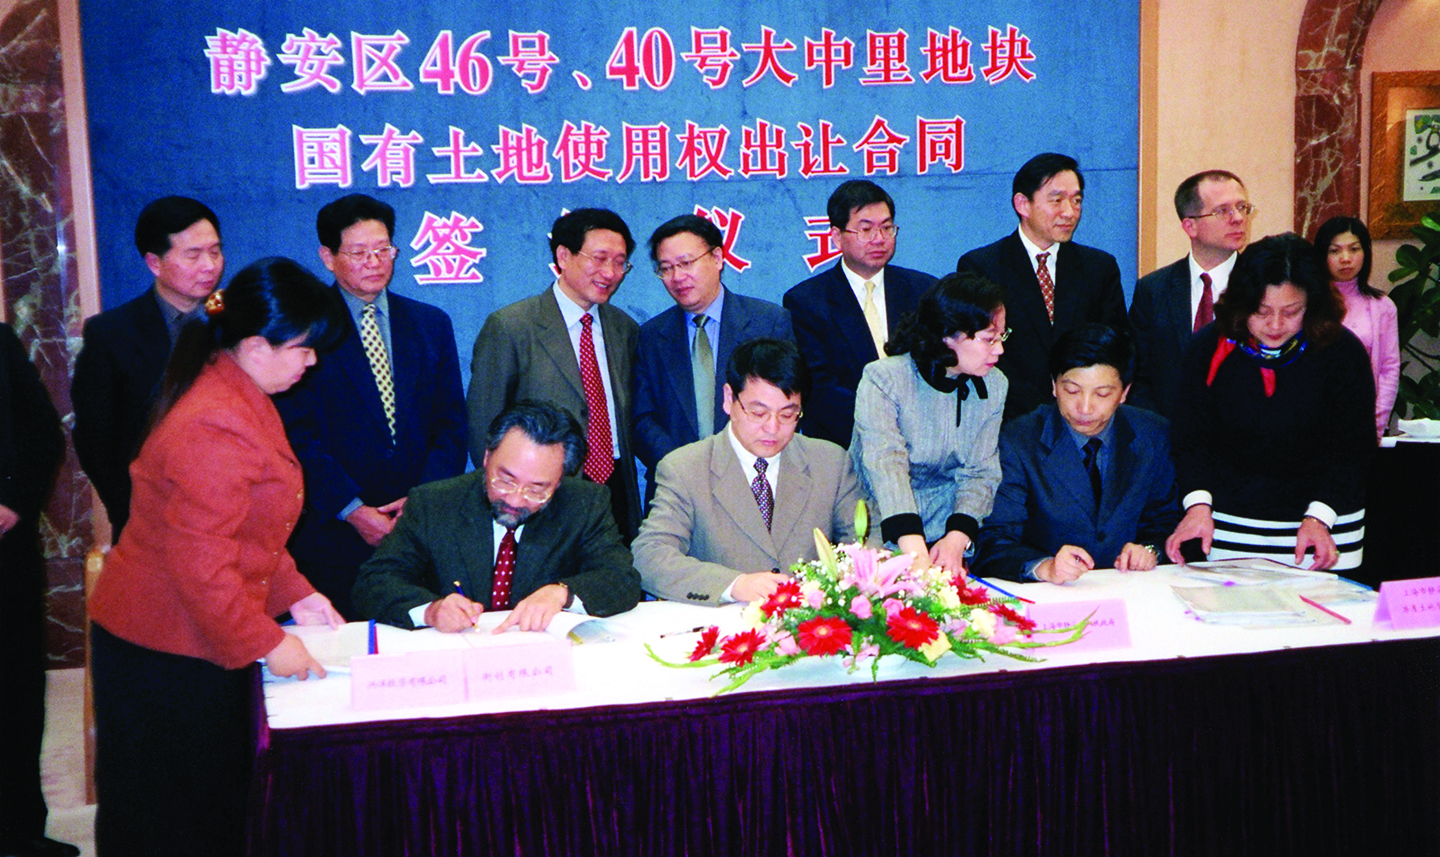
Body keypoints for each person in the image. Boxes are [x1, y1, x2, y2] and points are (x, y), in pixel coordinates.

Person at [88, 258, 347, 856]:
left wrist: (298, 594)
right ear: (256, 346)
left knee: (209, 808)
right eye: (304, 349)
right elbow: (201, 567)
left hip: (191, 631)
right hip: (163, 647)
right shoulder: (215, 422)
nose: (312, 362)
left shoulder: (236, 389)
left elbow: (248, 532)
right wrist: (268, 642)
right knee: (171, 820)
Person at [274, 193, 467, 618]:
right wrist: (352, 509)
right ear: (328, 257)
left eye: (383, 250)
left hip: (419, 531)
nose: (375, 262)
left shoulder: (430, 324)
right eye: (359, 252)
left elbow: (451, 424)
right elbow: (293, 434)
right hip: (335, 534)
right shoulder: (305, 329)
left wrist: (422, 501)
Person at [1165, 234, 1375, 571]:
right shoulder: (1207, 347)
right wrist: (1198, 504)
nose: (1275, 325)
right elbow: (1189, 437)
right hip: (1228, 523)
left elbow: (1354, 448)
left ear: (1313, 305)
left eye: (1291, 312)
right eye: (1261, 311)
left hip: (1326, 523)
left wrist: (1320, 516)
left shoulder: (1342, 352)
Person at [352, 400, 642, 633]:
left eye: (537, 489)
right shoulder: (433, 503)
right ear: (487, 457)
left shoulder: (585, 504)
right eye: (505, 480)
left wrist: (561, 594)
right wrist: (431, 610)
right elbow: (373, 583)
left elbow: (622, 579)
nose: (515, 499)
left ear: (559, 481)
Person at [634, 338, 864, 605]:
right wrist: (733, 585)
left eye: (787, 415)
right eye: (758, 413)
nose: (772, 428)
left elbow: (867, 545)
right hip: (722, 623)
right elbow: (649, 555)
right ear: (728, 399)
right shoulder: (685, 468)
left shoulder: (830, 463)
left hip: (810, 622)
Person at [467, 208, 642, 541]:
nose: (610, 272)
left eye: (620, 262)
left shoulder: (624, 328)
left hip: (615, 487)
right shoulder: (511, 326)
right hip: (540, 492)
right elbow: (483, 427)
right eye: (599, 258)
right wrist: (510, 497)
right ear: (563, 256)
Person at [975, 324, 1181, 584]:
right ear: (1054, 385)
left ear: (1124, 392)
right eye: (1072, 391)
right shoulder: (1018, 441)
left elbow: (1166, 518)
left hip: (1130, 587)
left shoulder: (1151, 434)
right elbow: (993, 540)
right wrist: (1044, 567)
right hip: (1051, 594)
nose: (1085, 407)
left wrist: (1150, 549)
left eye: (1102, 394)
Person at [71, 195, 223, 540]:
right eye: (193, 255)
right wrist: (128, 510)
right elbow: (95, 438)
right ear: (154, 262)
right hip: (149, 522)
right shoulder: (111, 334)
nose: (209, 266)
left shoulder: (240, 325)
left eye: (215, 252)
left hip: (233, 514)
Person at [850, 271, 1009, 574]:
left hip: (948, 530)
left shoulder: (995, 384)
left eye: (1002, 336)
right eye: (989, 339)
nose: (999, 349)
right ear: (948, 336)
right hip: (880, 522)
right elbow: (886, 466)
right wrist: (914, 553)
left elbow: (980, 471)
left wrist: (957, 539)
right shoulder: (883, 378)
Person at [633, 214, 792, 506]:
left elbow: (784, 405)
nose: (677, 277)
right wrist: (685, 468)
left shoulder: (768, 322)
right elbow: (642, 419)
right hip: (676, 491)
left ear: (717, 258)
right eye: (666, 268)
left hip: (755, 483)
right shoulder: (650, 336)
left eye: (686, 263)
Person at [957, 153, 1127, 420]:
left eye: (1076, 200)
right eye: (1057, 200)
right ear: (1023, 204)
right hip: (1009, 417)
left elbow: (1115, 345)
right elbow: (979, 351)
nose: (1069, 212)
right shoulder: (982, 266)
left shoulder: (1099, 267)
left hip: (1084, 415)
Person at [784, 180, 937, 448]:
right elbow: (819, 387)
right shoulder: (807, 302)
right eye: (866, 229)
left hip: (923, 440)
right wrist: (883, 426)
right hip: (845, 445)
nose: (879, 238)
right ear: (836, 236)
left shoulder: (924, 290)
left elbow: (937, 365)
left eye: (887, 228)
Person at [0, 324, 77, 857]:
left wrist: (14, 502)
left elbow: (42, 433)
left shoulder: (1, 343)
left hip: (6, 552)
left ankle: (19, 831)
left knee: (17, 694)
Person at [1130, 170, 1254, 419]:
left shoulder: (1260, 286)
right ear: (1190, 226)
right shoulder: (1153, 290)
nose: (1238, 218)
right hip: (1168, 433)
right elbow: (1138, 376)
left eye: (1242, 207)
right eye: (1222, 211)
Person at [1313, 216, 1401, 438]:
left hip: (1364, 422)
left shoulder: (1382, 306)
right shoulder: (1307, 304)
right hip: (1312, 422)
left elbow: (1389, 369)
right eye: (1335, 251)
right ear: (1322, 255)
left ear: (1365, 253)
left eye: (1354, 249)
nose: (1345, 259)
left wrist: (1376, 425)